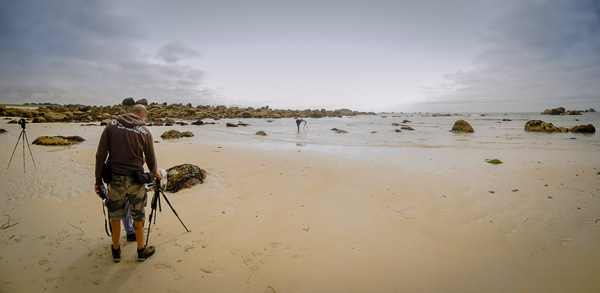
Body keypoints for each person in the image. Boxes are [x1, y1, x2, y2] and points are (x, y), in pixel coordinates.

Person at [94, 104, 161, 263]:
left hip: (115, 180)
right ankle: (141, 251)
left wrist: (98, 182)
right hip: (136, 180)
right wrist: (153, 175)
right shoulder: (145, 132)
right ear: (143, 116)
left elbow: (100, 155)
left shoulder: (111, 125)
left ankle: (116, 251)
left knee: (115, 216)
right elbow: (151, 160)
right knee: (138, 217)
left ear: (132, 113)